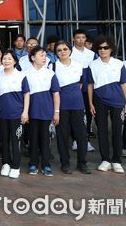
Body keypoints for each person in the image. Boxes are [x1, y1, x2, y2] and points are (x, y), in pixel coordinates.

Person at [88, 35, 126, 173]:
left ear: (111, 49)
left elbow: (124, 84)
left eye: (105, 47)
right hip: (99, 100)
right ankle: (105, 159)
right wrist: (90, 103)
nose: (102, 50)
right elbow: (90, 85)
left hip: (118, 101)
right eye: (99, 48)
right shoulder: (93, 65)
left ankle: (117, 160)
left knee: (117, 131)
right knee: (102, 131)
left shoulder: (119, 64)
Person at [53, 41, 91, 175]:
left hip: (77, 104)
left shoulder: (79, 66)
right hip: (61, 105)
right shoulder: (52, 66)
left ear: (70, 50)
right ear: (56, 53)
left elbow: (81, 83)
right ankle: (65, 162)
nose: (62, 52)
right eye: (59, 50)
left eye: (65, 49)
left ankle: (82, 162)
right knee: (62, 135)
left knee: (81, 135)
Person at [25, 46, 60, 176]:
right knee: (32, 138)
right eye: (41, 55)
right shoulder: (25, 74)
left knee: (46, 139)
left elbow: (56, 93)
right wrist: (25, 112)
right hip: (31, 111)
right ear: (33, 58)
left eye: (45, 55)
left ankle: (46, 164)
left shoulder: (50, 73)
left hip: (46, 111)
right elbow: (24, 94)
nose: (44, 58)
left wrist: (56, 111)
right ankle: (33, 163)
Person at [0, 50, 29, 179]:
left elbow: (26, 94)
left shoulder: (21, 76)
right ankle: (6, 163)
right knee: (4, 140)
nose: (6, 61)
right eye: (4, 58)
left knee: (16, 141)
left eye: (9, 59)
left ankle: (16, 166)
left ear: (15, 61)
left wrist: (25, 112)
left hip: (17, 114)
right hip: (2, 114)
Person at [70, 29, 98, 144]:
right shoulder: (69, 52)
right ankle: (75, 140)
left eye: (83, 37)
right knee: (75, 114)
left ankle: (85, 138)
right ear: (73, 39)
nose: (80, 40)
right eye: (78, 37)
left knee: (88, 113)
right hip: (74, 89)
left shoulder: (91, 54)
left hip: (88, 89)